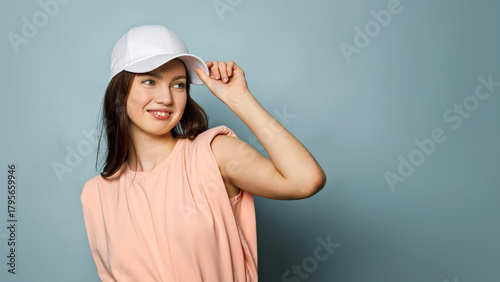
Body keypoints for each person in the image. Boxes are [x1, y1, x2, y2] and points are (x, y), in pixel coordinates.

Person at [81, 25, 326, 282]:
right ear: (119, 90)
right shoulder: (96, 194)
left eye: (178, 85)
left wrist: (239, 99)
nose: (165, 98)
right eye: (150, 81)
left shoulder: (213, 153)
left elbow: (306, 180)